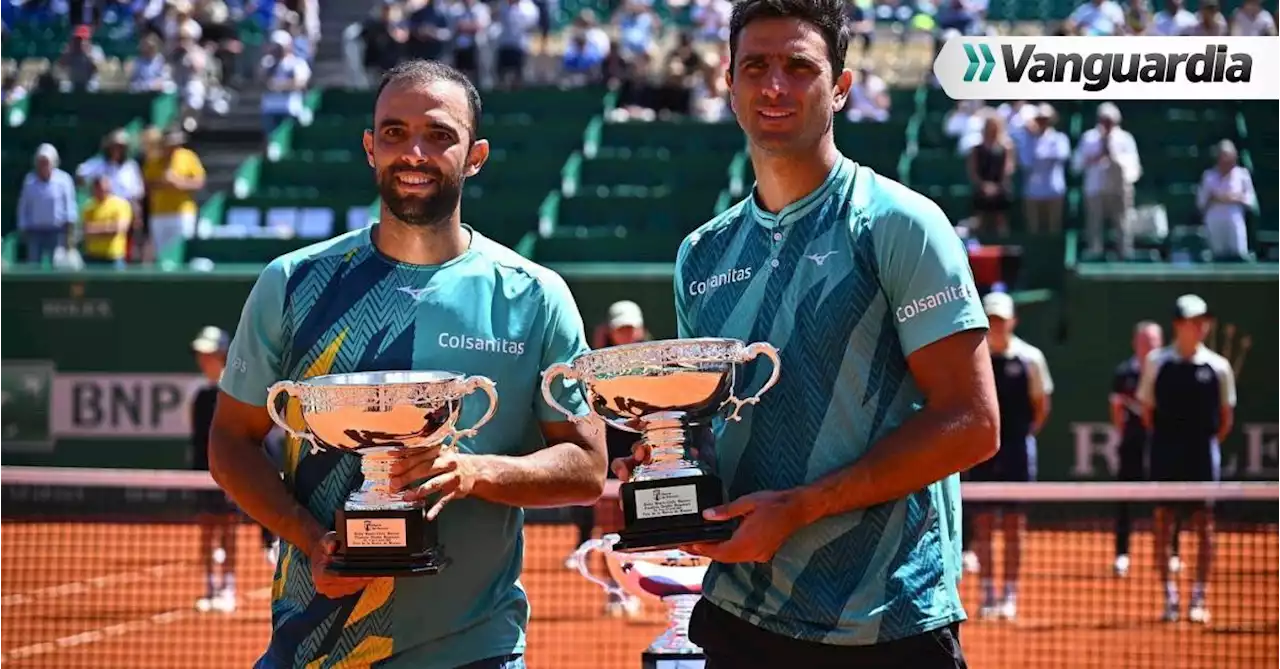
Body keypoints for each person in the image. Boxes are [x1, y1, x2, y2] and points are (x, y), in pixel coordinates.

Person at [615, 0, 1000, 664]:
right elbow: (707, 426)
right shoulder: (701, 254)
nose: (774, 86)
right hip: (742, 615)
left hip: (889, 623)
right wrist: (663, 468)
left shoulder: (902, 224)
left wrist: (801, 507)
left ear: (841, 88)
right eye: (755, 66)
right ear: (727, 86)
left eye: (800, 67)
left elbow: (972, 420)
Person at [208, 60, 607, 669]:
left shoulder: (536, 295)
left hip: (476, 651)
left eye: (439, 134)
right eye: (394, 133)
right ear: (370, 148)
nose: (413, 152)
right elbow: (230, 442)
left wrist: (474, 472)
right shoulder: (291, 284)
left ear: (475, 155)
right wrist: (310, 541)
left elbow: (585, 465)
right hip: (314, 650)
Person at [1137, 294, 1235, 625]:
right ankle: (1170, 597)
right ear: (1178, 325)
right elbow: (1148, 412)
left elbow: (1224, 419)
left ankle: (1197, 597)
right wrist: (1170, 441)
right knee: (1163, 524)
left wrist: (1199, 444)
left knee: (1204, 528)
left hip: (1201, 456)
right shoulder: (1156, 362)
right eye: (1194, 321)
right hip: (1166, 453)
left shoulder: (1219, 367)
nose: (1200, 326)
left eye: (1203, 320)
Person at [968, 292, 1052, 621]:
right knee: (984, 525)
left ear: (1013, 321)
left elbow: (1041, 406)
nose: (997, 325)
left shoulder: (1031, 359)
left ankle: (1009, 595)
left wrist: (1021, 436)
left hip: (1017, 451)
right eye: (991, 319)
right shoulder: (973, 358)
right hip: (982, 454)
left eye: (1002, 319)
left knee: (1015, 527)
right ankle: (988, 593)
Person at [564, 300, 650, 618]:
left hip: (640, 458)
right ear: (611, 331)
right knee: (610, 528)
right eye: (621, 328)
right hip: (606, 459)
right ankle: (616, 592)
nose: (626, 334)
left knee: (635, 528)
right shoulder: (592, 367)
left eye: (631, 328)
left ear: (639, 330)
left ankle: (634, 585)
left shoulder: (653, 363)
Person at [191, 326, 240, 614]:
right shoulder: (199, 395)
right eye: (201, 354)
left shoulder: (231, 392)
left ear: (222, 354)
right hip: (200, 475)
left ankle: (228, 588)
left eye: (208, 354)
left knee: (228, 531)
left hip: (228, 475)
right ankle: (210, 588)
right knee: (207, 530)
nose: (203, 359)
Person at [1109, 320, 1162, 577]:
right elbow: (1117, 409)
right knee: (1125, 501)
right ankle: (1122, 554)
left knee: (1166, 502)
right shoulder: (1123, 372)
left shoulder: (1166, 370)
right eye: (1143, 341)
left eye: (1152, 341)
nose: (1148, 346)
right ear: (1135, 343)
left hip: (1161, 446)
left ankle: (1170, 553)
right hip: (1131, 444)